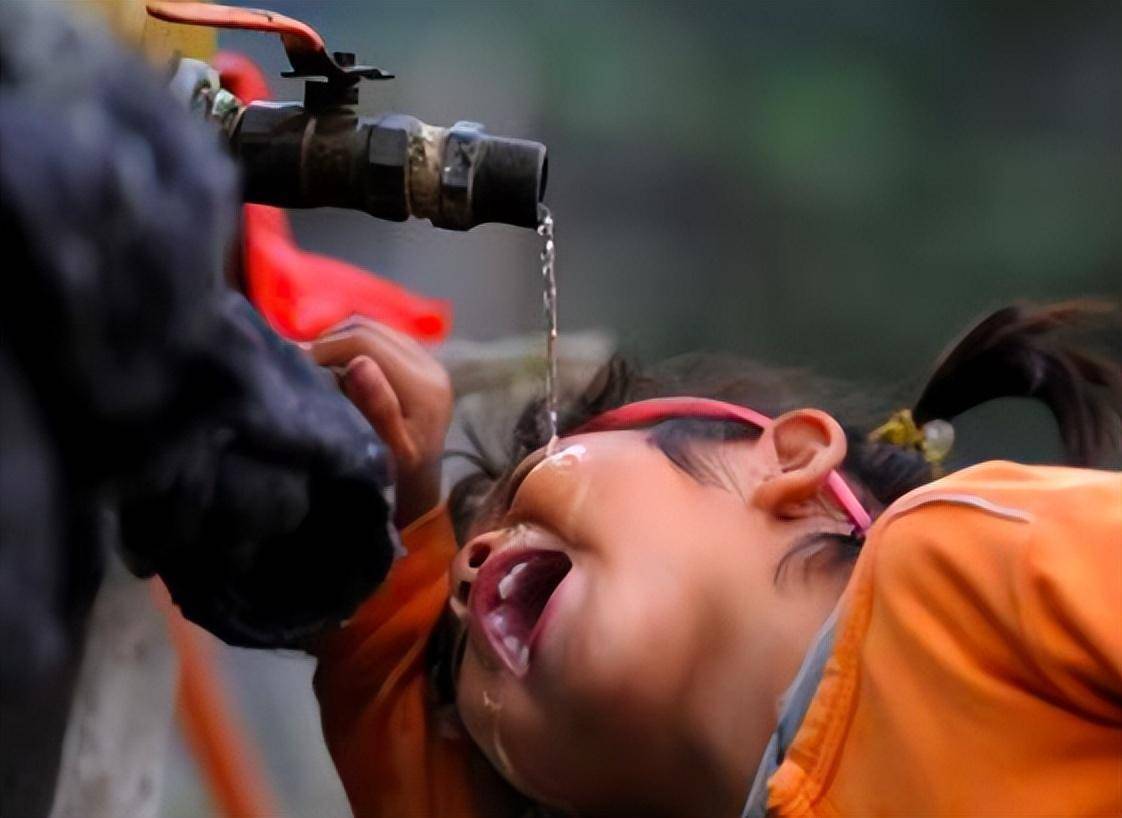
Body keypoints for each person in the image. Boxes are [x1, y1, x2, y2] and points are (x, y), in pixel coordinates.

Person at [309, 301, 1122, 818]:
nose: (468, 570)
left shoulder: (964, 562)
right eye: (460, 663)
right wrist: (394, 528)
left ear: (789, 465)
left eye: (528, 483)